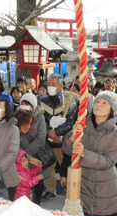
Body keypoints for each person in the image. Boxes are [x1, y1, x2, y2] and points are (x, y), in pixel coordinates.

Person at [62, 91, 117, 216]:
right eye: (97, 101)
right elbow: (68, 152)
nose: (99, 105)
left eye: (104, 103)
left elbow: (109, 161)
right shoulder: (82, 125)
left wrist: (84, 154)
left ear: (112, 109)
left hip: (105, 188)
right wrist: (71, 139)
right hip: (83, 183)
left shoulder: (116, 133)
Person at [39, 73, 78, 201]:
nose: (50, 87)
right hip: (47, 141)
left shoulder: (70, 100)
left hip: (63, 142)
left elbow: (71, 122)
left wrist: (58, 133)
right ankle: (50, 189)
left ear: (61, 86)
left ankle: (71, 190)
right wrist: (50, 133)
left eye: (53, 84)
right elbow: (41, 121)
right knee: (47, 165)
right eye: (49, 84)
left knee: (67, 167)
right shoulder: (43, 101)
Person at [18, 93, 49, 205]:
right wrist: (22, 155)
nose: (24, 106)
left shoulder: (40, 117)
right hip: (22, 157)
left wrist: (26, 154)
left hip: (37, 154)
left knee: (37, 181)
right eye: (22, 104)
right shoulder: (18, 115)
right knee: (23, 183)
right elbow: (15, 137)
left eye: (27, 104)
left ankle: (37, 204)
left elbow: (41, 138)